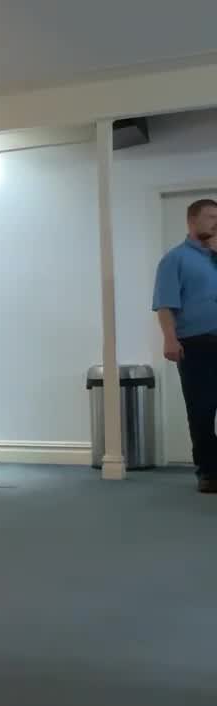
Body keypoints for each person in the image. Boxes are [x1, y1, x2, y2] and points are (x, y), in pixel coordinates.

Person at [153, 198, 217, 492]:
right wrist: (169, 338)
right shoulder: (174, 259)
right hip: (196, 345)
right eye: (211, 217)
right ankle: (209, 472)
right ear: (192, 221)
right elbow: (165, 304)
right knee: (202, 410)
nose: (216, 222)